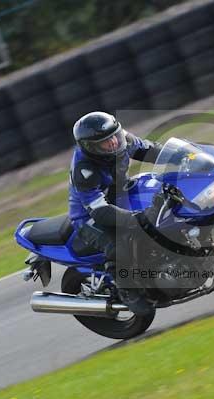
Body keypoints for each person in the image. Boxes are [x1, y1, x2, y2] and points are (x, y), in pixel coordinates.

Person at [68, 111, 163, 314]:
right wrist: (136, 219)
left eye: (114, 136)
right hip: (89, 215)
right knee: (118, 245)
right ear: (91, 147)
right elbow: (99, 211)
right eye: (105, 142)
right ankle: (126, 288)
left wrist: (185, 157)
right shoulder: (84, 169)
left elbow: (151, 150)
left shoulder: (122, 139)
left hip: (119, 194)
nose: (112, 143)